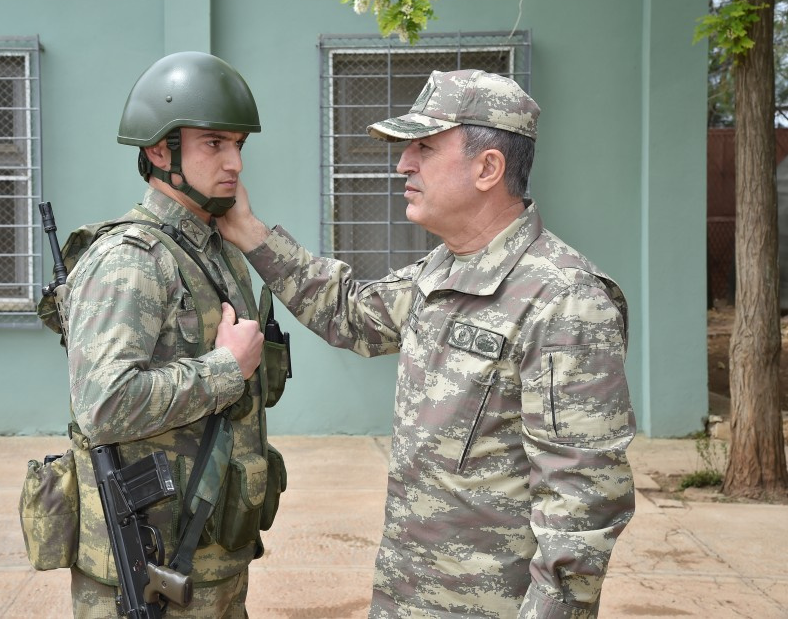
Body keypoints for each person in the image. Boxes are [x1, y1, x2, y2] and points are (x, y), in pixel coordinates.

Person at [218, 69, 636, 618]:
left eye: (424, 148)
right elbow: (352, 313)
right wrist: (249, 231)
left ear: (488, 168)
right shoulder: (443, 269)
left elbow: (581, 510)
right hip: (407, 595)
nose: (403, 164)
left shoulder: (564, 300)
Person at [64, 51, 287, 618]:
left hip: (213, 558)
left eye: (239, 144)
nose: (234, 162)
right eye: (215, 143)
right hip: (150, 570)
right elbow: (104, 404)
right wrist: (223, 370)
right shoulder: (130, 260)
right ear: (160, 151)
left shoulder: (218, 252)